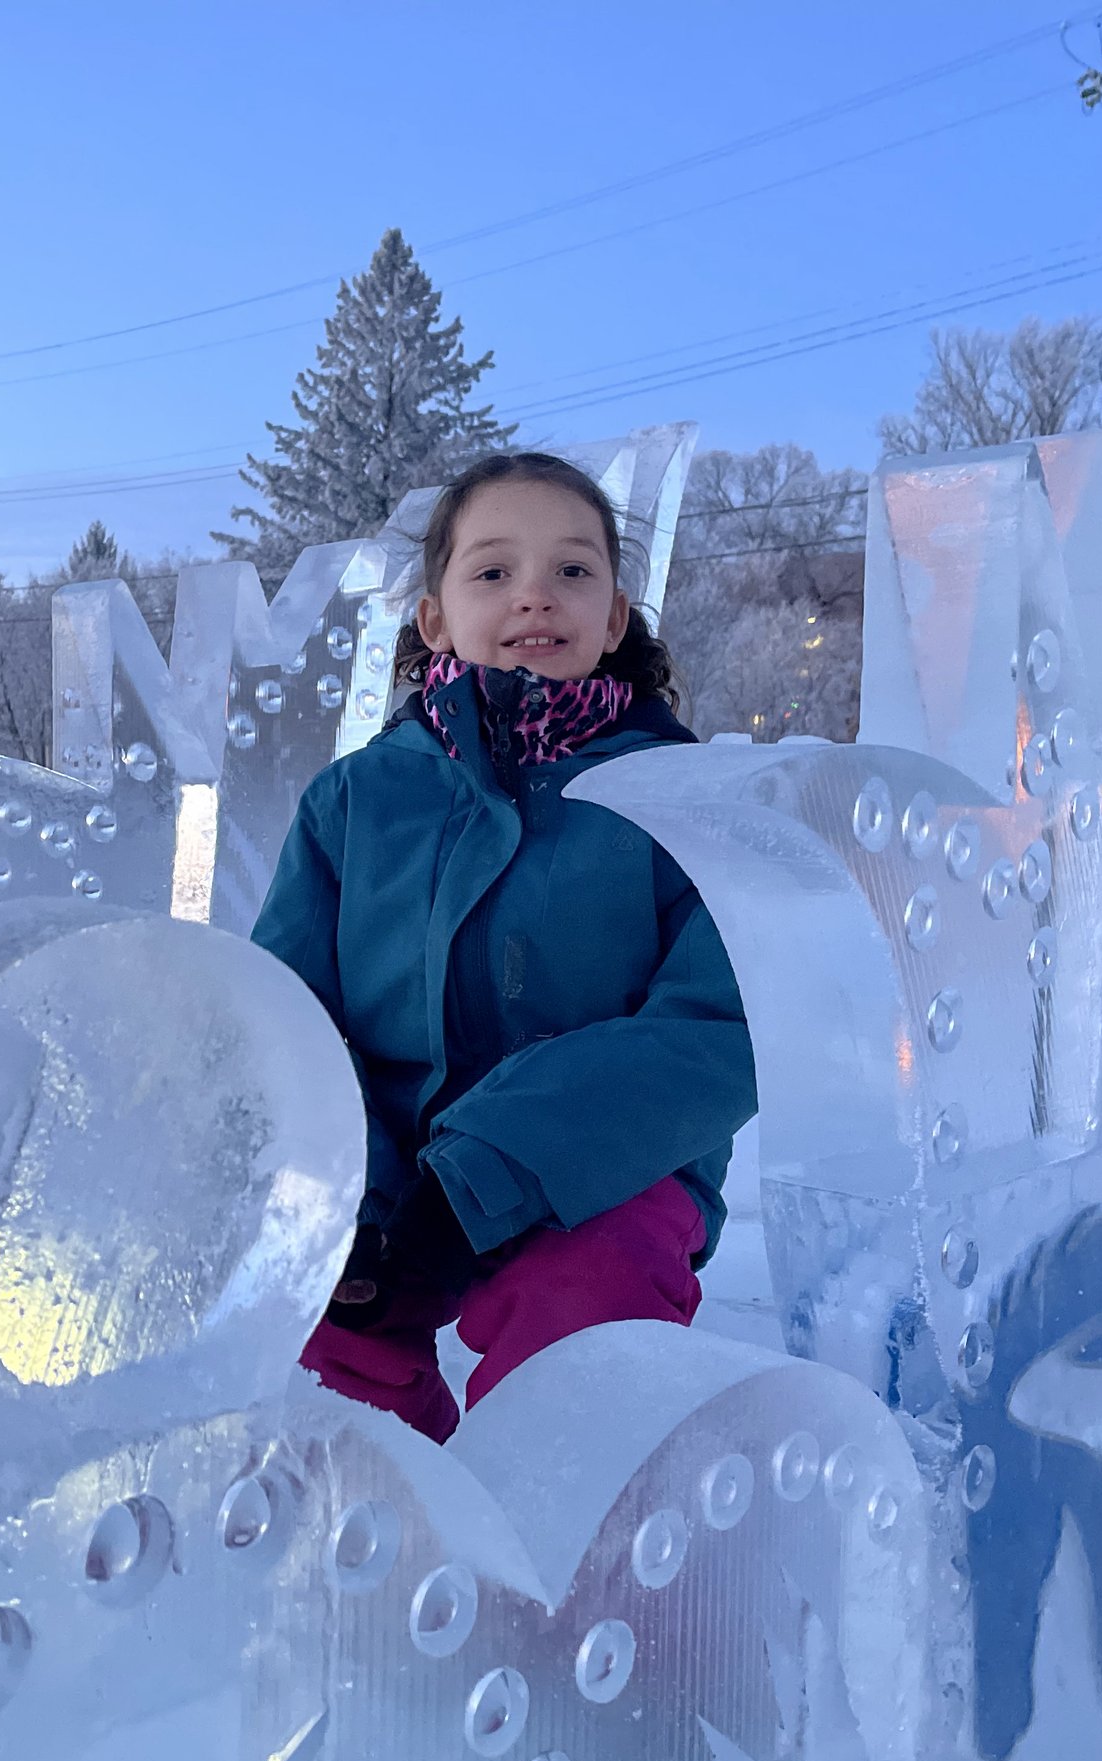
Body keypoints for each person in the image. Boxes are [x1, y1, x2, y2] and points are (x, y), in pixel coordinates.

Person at [251, 450, 757, 1444]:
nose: (534, 594)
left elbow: (725, 1026)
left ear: (614, 615)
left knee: (580, 1328)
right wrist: (359, 1198)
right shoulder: (351, 804)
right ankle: (403, 1537)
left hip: (607, 1175)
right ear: (433, 617)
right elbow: (289, 1017)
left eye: (572, 570)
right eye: (492, 571)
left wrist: (480, 1177)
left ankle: (563, 1550)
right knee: (315, 1338)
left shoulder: (688, 806)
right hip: (386, 1180)